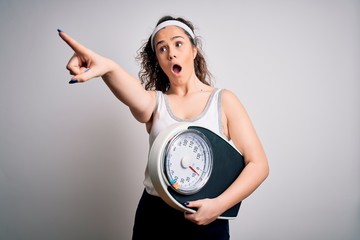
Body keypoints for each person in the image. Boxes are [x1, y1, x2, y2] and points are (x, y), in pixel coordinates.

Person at [58, 15, 269, 240]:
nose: (171, 53)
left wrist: (219, 206)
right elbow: (133, 94)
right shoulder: (154, 103)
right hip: (154, 218)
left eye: (178, 43)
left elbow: (259, 165)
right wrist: (106, 67)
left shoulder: (224, 101)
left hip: (208, 215)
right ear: (158, 59)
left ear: (194, 50)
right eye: (162, 49)